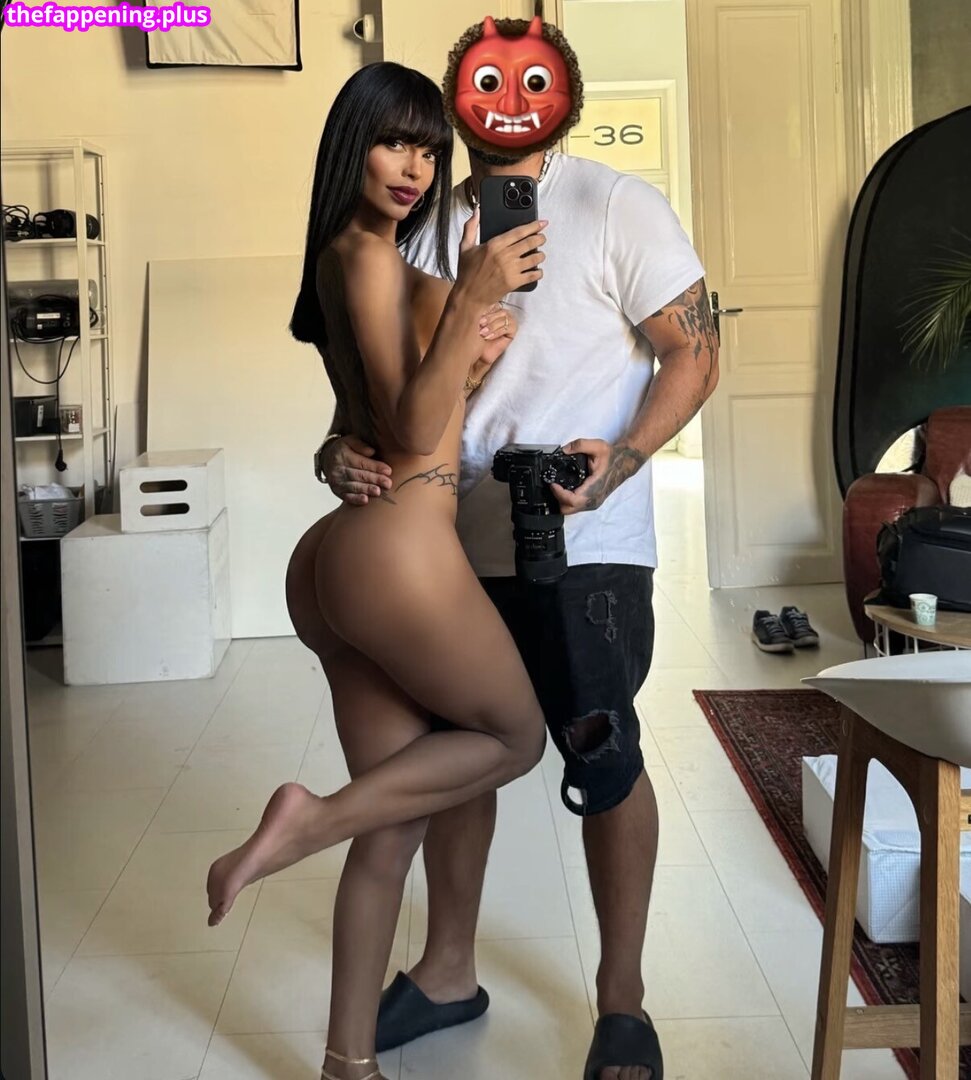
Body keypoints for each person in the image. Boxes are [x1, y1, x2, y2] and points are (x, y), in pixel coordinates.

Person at [317, 17, 719, 1080]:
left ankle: (621, 1003)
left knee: (600, 750)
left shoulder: (617, 204)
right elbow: (390, 389)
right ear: (458, 95)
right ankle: (448, 971)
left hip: (585, 539)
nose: (505, 100)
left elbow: (694, 352)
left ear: (564, 96)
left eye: (529, 81)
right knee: (456, 758)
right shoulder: (419, 222)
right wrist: (336, 447)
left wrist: (621, 460)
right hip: (444, 545)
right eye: (486, 81)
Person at [205, 61, 552, 1080]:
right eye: (395, 142)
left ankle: (346, 1063)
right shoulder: (362, 254)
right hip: (398, 546)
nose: (414, 168)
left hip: (346, 551)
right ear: (351, 145)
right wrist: (472, 298)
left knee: (392, 822)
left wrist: (459, 355)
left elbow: (368, 410)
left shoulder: (358, 256)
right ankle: (305, 820)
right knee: (514, 737)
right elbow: (407, 430)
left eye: (430, 151)